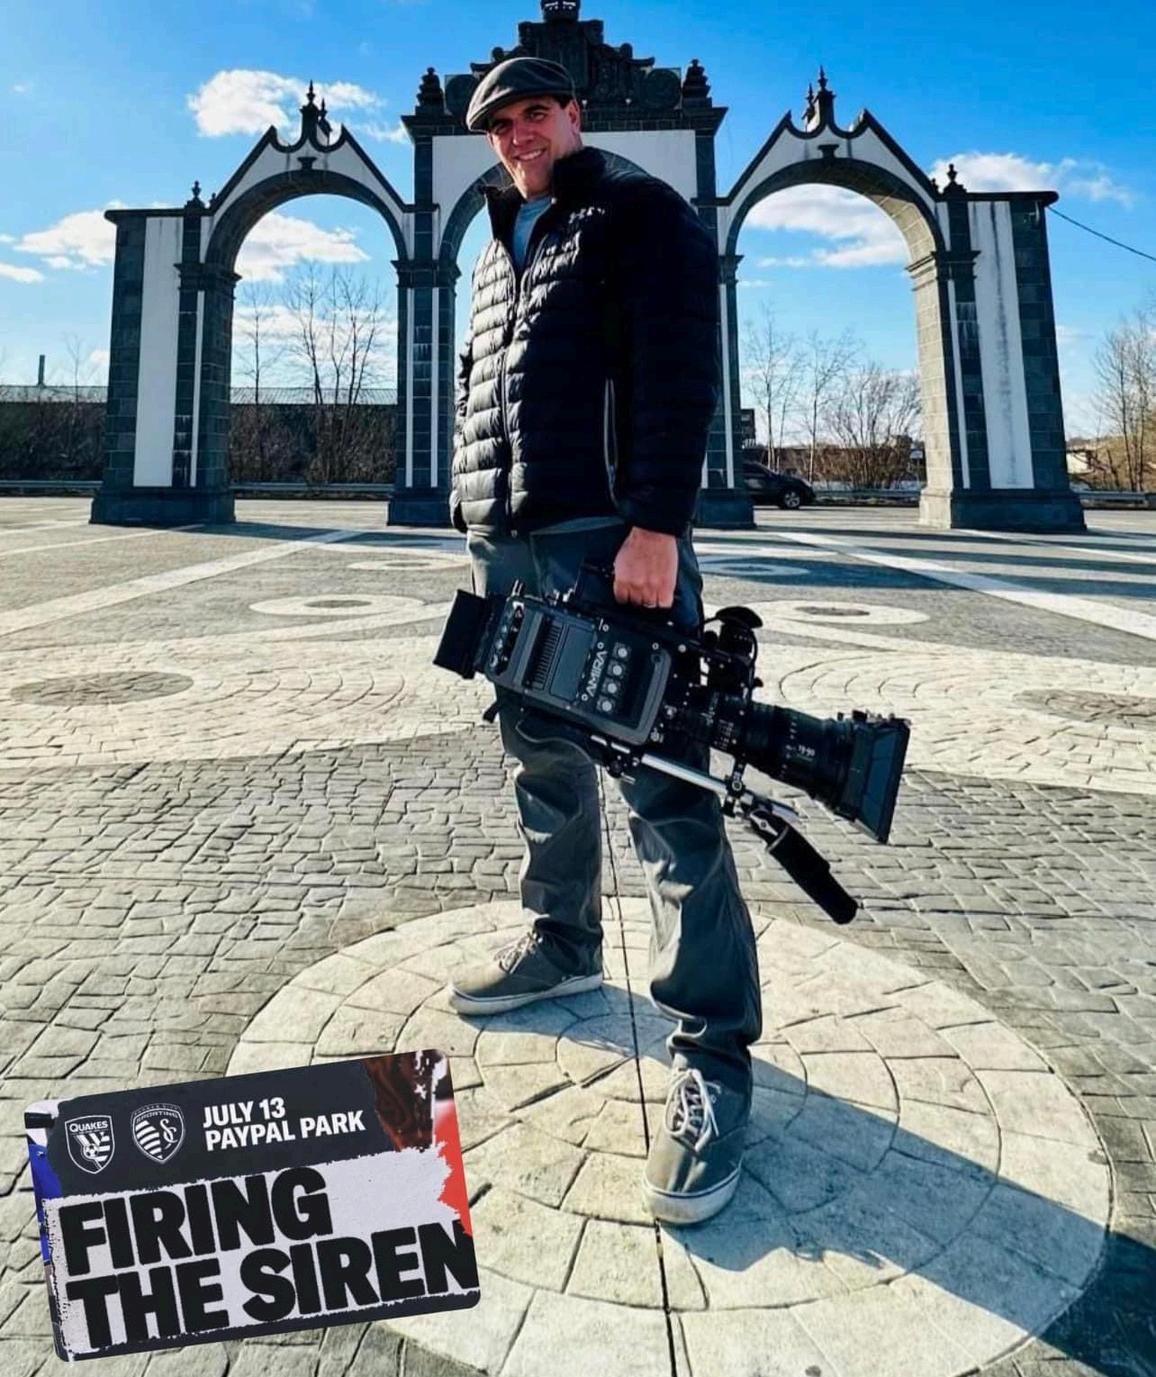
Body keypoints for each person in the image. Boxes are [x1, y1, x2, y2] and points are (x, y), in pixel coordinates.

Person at [447, 56, 761, 1225]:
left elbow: (678, 375)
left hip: (605, 538)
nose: (519, 133)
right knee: (535, 751)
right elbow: (488, 388)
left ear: (573, 115)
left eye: (536, 112)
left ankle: (713, 1054)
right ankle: (562, 938)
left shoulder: (636, 210)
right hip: (508, 541)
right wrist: (471, 516)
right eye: (501, 121)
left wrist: (657, 528)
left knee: (667, 788)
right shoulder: (496, 238)